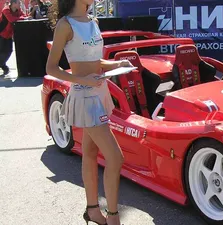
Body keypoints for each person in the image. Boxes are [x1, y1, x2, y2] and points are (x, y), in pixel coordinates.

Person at [46, 0, 132, 224]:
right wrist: (81, 79)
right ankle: (113, 217)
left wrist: (114, 64)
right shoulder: (66, 25)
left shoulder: (93, 21)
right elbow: (51, 67)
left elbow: (94, 60)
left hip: (100, 92)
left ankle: (93, 210)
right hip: (85, 96)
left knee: (91, 153)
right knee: (115, 157)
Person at [0, 0, 29, 76]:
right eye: (19, 3)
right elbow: (11, 19)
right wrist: (21, 18)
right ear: (13, 3)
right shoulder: (6, 10)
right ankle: (4, 67)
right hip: (1, 34)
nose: (20, 4)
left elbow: (25, 16)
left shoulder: (18, 10)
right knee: (2, 52)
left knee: (9, 51)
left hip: (9, 34)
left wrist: (21, 17)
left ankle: (3, 66)